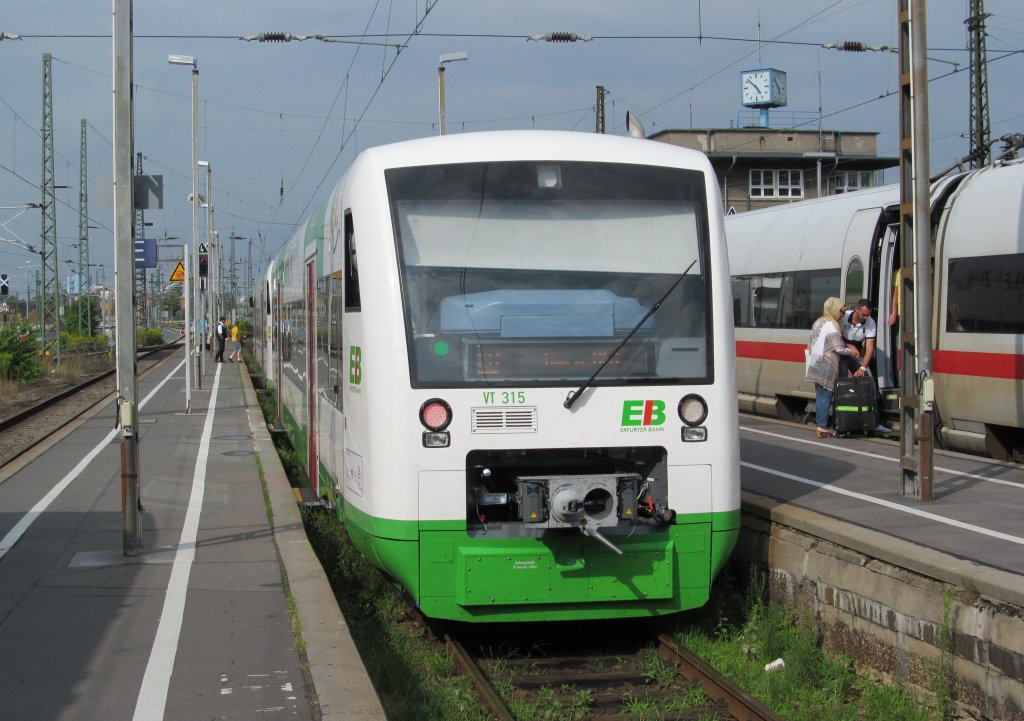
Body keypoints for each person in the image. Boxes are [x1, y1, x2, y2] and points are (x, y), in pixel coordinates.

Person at [806, 297, 858, 438]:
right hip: (826, 364)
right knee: (826, 394)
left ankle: (821, 425)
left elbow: (810, 343)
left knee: (821, 394)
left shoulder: (818, 322)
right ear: (835, 309)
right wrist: (851, 351)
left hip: (816, 361)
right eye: (842, 311)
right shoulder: (831, 325)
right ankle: (821, 427)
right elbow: (838, 348)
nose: (843, 314)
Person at [840, 299, 891, 435]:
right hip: (841, 352)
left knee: (870, 384)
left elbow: (869, 348)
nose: (866, 317)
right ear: (856, 309)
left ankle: (874, 422)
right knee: (843, 382)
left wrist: (862, 368)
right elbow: (834, 337)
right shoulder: (843, 317)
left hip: (857, 355)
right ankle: (841, 421)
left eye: (868, 315)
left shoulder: (870, 322)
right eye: (863, 314)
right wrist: (848, 346)